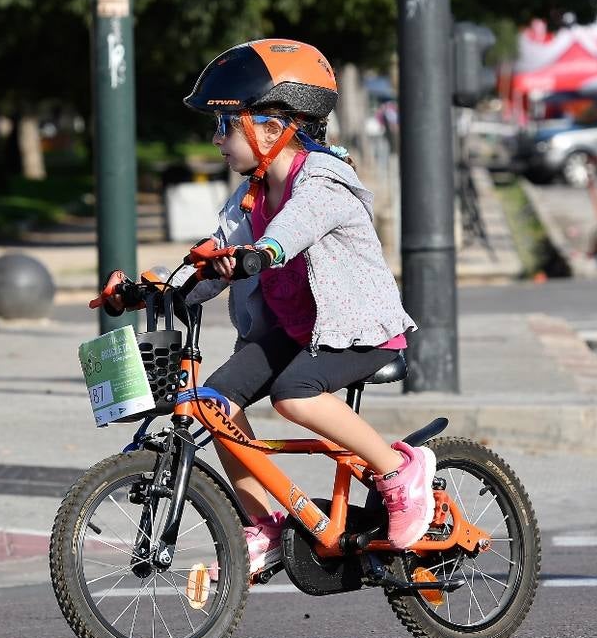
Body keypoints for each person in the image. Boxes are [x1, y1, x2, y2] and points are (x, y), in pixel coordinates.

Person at [115, 39, 430, 577]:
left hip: (356, 330)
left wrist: (262, 254)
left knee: (294, 395)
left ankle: (400, 469)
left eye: (225, 127)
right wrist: (158, 289)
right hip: (296, 330)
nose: (217, 141)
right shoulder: (251, 196)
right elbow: (213, 253)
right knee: (213, 402)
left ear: (271, 126)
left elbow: (294, 229)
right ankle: (266, 522)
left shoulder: (324, 180)